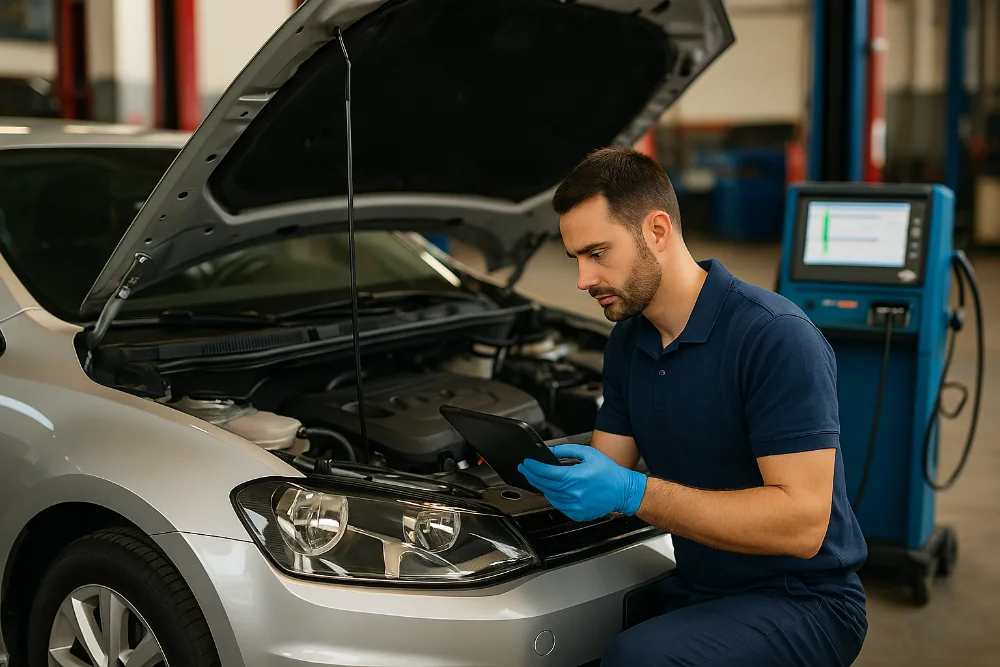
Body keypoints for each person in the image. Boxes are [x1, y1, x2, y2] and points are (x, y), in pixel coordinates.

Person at [518, 146, 869, 666]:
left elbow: (802, 524)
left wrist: (633, 491)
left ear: (657, 232)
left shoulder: (774, 338)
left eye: (598, 253)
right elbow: (609, 465)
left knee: (642, 659)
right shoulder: (628, 342)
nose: (583, 281)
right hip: (701, 582)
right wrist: (540, 465)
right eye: (577, 260)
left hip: (804, 597)